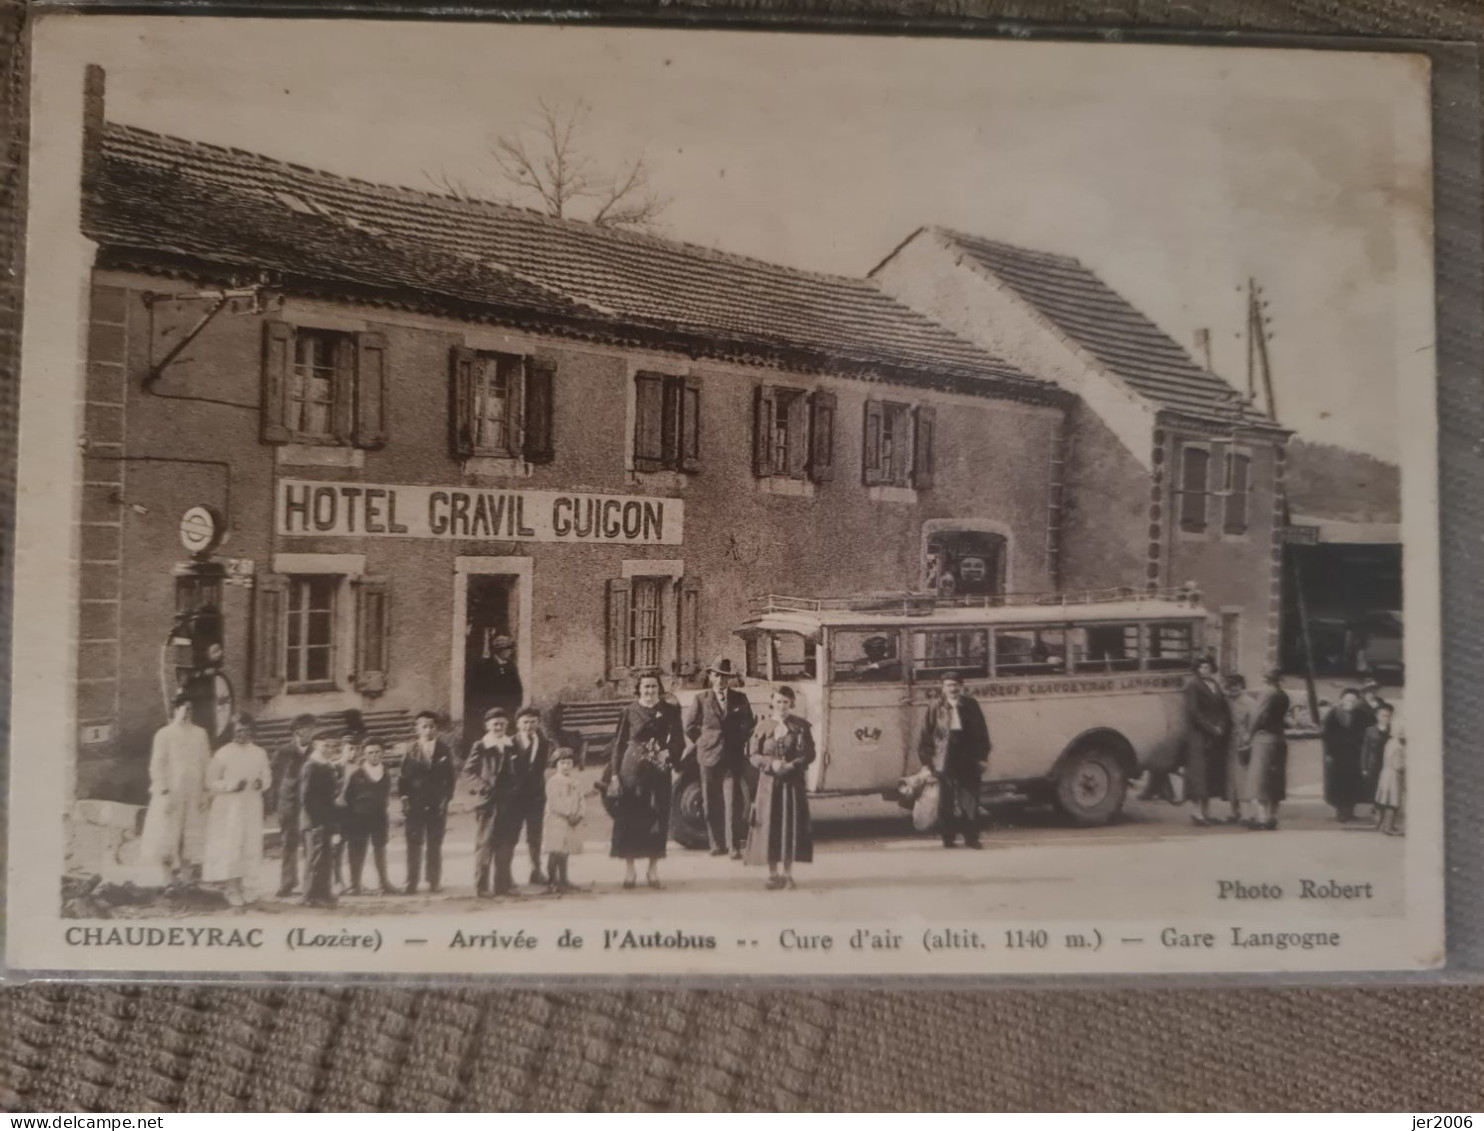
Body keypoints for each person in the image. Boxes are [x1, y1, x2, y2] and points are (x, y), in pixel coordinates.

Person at [601, 672, 684, 889]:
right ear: (639, 689)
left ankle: (652, 870)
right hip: (632, 772)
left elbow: (679, 740)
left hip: (658, 771)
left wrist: (669, 753)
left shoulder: (670, 711)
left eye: (654, 686)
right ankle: (630, 871)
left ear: (659, 688)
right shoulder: (629, 711)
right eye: (646, 687)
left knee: (657, 819)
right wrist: (615, 775)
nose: (650, 690)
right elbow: (619, 745)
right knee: (630, 820)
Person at [682, 657, 756, 858]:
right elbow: (689, 727)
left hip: (732, 758)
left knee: (733, 802)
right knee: (710, 802)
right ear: (711, 676)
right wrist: (703, 742)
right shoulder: (701, 699)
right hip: (708, 757)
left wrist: (739, 741)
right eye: (717, 675)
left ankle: (733, 847)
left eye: (725, 677)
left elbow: (749, 723)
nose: (721, 681)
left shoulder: (740, 698)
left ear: (729, 679)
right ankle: (716, 844)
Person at [743, 686, 815, 889]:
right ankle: (773, 874)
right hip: (769, 786)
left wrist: (794, 765)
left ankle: (788, 874)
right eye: (778, 701)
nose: (782, 706)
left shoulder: (801, 726)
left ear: (791, 704)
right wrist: (770, 764)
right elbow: (753, 755)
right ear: (772, 703)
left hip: (792, 785)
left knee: (789, 826)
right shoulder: (762, 727)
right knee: (770, 826)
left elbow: (810, 753)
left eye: (786, 702)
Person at [138, 692, 213, 885]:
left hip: (194, 794)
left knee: (189, 837)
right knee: (167, 836)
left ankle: (186, 878)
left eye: (191, 709)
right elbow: (157, 764)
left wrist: (206, 791)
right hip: (171, 794)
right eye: (184, 708)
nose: (188, 713)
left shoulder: (200, 734)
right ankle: (167, 880)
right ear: (176, 709)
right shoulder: (164, 734)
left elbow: (206, 763)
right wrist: (163, 790)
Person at [201, 713, 272, 906]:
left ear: (252, 731)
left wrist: (261, 783)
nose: (243, 734)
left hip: (251, 805)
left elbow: (267, 777)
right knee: (232, 845)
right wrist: (231, 785)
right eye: (239, 730)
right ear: (233, 731)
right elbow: (210, 781)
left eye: (247, 730)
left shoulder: (259, 752)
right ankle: (231, 888)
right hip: (229, 807)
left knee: (249, 844)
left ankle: (246, 887)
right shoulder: (223, 752)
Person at [916, 671, 991, 848]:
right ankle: (948, 838)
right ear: (943, 688)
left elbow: (981, 733)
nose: (952, 689)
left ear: (961, 686)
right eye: (948, 685)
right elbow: (926, 736)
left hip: (967, 755)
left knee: (970, 798)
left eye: (955, 685)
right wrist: (927, 763)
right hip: (944, 757)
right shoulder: (935, 707)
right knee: (946, 799)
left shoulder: (971, 705)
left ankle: (972, 839)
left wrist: (982, 758)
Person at [399, 710, 457, 893]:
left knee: (435, 843)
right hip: (415, 804)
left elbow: (450, 778)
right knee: (414, 843)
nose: (428, 730)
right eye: (424, 726)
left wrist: (445, 799)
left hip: (436, 805)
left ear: (437, 729)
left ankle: (433, 880)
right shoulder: (411, 750)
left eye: (432, 726)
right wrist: (405, 799)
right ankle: (411, 882)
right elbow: (403, 779)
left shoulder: (444, 750)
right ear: (417, 729)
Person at [465, 708, 519, 897]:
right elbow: (469, 772)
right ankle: (481, 886)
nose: (499, 727)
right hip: (488, 802)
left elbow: (517, 771)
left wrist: (514, 789)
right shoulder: (481, 746)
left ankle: (502, 886)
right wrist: (484, 787)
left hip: (508, 803)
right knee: (485, 844)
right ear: (487, 725)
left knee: (505, 845)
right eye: (495, 724)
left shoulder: (511, 745)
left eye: (502, 724)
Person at [270, 713, 317, 897]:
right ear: (297, 731)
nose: (312, 733)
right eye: (309, 729)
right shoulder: (283, 752)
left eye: (313, 729)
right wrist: (273, 804)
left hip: (310, 805)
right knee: (288, 843)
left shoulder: (316, 752)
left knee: (310, 844)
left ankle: (310, 884)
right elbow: (273, 779)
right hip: (289, 804)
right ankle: (287, 882)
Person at [1181, 657, 1231, 827]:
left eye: (1208, 667)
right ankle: (1197, 813)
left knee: (1210, 774)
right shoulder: (1193, 686)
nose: (1205, 670)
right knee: (1198, 774)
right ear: (1197, 669)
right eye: (1202, 667)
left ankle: (1207, 812)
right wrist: (1211, 728)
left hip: (1214, 735)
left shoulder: (1215, 685)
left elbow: (1223, 708)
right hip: (1198, 735)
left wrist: (1221, 725)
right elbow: (1194, 713)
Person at [342, 738, 395, 894]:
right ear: (364, 755)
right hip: (359, 818)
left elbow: (385, 794)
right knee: (358, 850)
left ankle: (384, 883)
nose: (374, 755)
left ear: (383, 754)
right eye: (370, 753)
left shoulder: (385, 773)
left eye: (378, 752)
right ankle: (355, 885)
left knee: (380, 849)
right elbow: (349, 796)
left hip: (379, 817)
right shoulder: (357, 774)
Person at [299, 726, 344, 908]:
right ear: (316, 745)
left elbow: (331, 796)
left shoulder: (326, 765)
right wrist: (316, 822)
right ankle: (309, 895)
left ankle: (324, 893)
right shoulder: (311, 766)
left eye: (331, 746)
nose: (329, 749)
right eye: (325, 746)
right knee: (315, 858)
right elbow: (306, 798)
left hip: (326, 819)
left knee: (326, 857)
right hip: (314, 821)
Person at [1245, 667, 1290, 830]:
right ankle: (1273, 816)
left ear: (1266, 679)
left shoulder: (1266, 693)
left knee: (1260, 779)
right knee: (1276, 779)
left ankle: (1262, 818)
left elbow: (1257, 717)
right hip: (1279, 738)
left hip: (1264, 739)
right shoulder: (1283, 695)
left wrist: (1248, 735)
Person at [512, 706, 553, 886]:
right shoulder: (510, 743)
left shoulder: (543, 743)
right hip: (514, 797)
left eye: (533, 722)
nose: (529, 726)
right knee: (511, 835)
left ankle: (535, 871)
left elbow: (540, 768)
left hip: (536, 796)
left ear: (538, 723)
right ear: (518, 724)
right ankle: (506, 874)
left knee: (535, 835)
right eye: (525, 722)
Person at [1322, 689, 1371, 822]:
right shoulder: (1333, 714)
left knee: (1353, 784)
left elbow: (1369, 730)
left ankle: (1350, 810)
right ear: (1341, 700)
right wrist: (1329, 753)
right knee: (1338, 784)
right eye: (1347, 700)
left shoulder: (1362, 714)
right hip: (1338, 755)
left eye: (1353, 701)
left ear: (1357, 702)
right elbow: (1327, 735)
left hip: (1355, 755)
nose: (1350, 703)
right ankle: (1340, 811)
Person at [466, 633, 523, 746]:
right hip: (487, 710)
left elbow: (518, 689)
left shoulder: (511, 666)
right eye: (507, 649)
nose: (510, 652)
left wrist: (515, 706)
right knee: (488, 739)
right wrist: (480, 709)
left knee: (505, 738)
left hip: (507, 710)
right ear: (500, 650)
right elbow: (474, 689)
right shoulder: (483, 666)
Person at [543, 748, 586, 892]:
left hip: (571, 822)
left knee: (565, 850)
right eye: (563, 763)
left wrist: (579, 814)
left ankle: (563, 880)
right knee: (555, 850)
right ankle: (552, 881)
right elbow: (554, 803)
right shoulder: (553, 782)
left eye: (569, 763)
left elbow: (581, 799)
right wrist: (568, 814)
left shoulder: (575, 782)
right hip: (557, 821)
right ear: (556, 765)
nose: (566, 766)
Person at [1223, 673, 1254, 824]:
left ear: (1242, 686)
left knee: (1242, 776)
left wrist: (1248, 736)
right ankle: (1233, 811)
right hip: (1227, 742)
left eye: (1236, 685)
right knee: (1230, 777)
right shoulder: (1225, 701)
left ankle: (1247, 813)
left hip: (1243, 741)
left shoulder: (1249, 702)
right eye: (1230, 686)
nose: (1233, 689)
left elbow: (1254, 722)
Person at [1362, 705, 1396, 830]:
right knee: (1375, 792)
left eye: (1388, 715)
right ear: (1377, 716)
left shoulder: (1393, 730)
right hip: (1374, 766)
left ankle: (1386, 821)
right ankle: (1378, 819)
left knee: (1387, 793)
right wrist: (1364, 767)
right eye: (1383, 715)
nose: (1385, 718)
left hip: (1388, 766)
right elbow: (1365, 750)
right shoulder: (1370, 730)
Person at [1373, 718, 1406, 836]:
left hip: (1385, 773)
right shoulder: (1399, 747)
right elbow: (1398, 765)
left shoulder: (1390, 742)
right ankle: (1389, 826)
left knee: (1384, 799)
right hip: (1394, 776)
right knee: (1393, 801)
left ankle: (1380, 824)